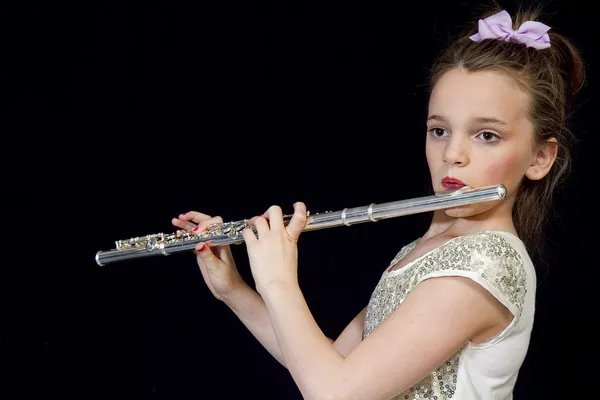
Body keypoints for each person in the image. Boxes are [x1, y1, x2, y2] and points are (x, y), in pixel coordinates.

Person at [171, 5, 585, 399]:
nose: (453, 155)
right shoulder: (428, 251)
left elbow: (334, 393)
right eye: (439, 130)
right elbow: (331, 365)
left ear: (539, 158)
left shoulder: (483, 265)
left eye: (487, 135)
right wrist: (234, 291)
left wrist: (277, 279)